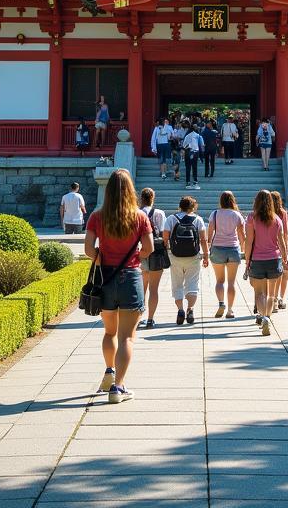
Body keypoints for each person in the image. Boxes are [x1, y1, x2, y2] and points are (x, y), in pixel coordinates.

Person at [84, 169, 153, 404]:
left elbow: (88, 250)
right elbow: (149, 249)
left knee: (110, 332)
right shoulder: (140, 217)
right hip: (131, 277)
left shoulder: (97, 216)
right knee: (127, 337)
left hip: (105, 277)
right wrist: (135, 255)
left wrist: (100, 258)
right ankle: (119, 387)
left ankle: (109, 371)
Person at [245, 188, 288, 336]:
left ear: (256, 201)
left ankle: (263, 317)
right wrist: (285, 259)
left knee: (259, 294)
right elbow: (281, 242)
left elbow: (249, 241)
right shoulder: (277, 219)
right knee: (271, 294)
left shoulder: (252, 217)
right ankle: (267, 318)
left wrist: (246, 261)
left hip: (257, 260)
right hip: (274, 259)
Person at [163, 196, 209, 325]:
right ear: (193, 207)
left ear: (180, 206)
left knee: (177, 284)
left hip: (175, 256)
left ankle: (180, 310)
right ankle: (190, 309)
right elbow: (203, 240)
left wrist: (167, 251)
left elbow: (165, 238)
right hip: (193, 257)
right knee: (193, 284)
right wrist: (205, 255)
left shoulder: (171, 219)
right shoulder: (198, 219)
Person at [207, 191, 246, 319]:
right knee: (231, 282)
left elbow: (210, 232)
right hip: (233, 249)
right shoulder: (237, 215)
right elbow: (242, 235)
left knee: (219, 280)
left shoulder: (215, 214)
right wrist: (244, 248)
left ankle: (221, 303)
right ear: (232, 200)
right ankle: (230, 310)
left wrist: (208, 246)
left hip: (217, 248)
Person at [138, 187, 169, 329]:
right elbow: (163, 234)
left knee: (141, 288)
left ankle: (138, 317)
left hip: (142, 250)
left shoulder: (137, 213)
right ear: (153, 198)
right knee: (154, 289)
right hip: (157, 251)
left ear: (141, 198)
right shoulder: (160, 213)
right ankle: (150, 319)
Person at [270, 190, 288, 310]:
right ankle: (281, 298)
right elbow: (286, 234)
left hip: (271, 246)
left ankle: (274, 298)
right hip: (281, 245)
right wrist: (286, 252)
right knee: (284, 275)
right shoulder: (283, 213)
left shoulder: (267, 213)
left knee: (275, 276)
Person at [182, 123, 203, 190]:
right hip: (195, 152)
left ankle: (188, 182)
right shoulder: (198, 135)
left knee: (188, 167)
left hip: (188, 152)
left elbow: (184, 145)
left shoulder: (187, 135)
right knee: (194, 167)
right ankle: (195, 182)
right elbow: (201, 144)